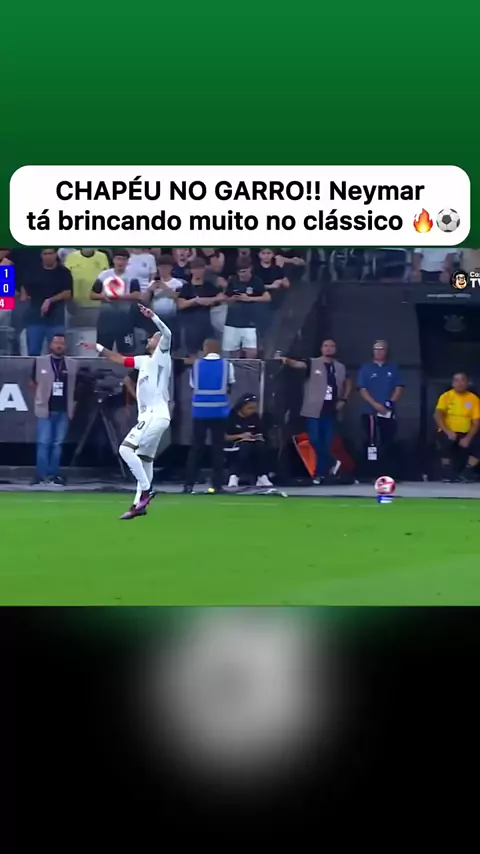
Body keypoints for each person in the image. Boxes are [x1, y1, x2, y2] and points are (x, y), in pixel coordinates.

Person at [91, 304, 172, 519]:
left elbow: (167, 333)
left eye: (153, 338)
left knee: (125, 450)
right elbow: (120, 359)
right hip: (151, 416)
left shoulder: (162, 357)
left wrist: (153, 316)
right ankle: (139, 505)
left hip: (155, 414)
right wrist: (98, 347)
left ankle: (146, 490)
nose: (150, 340)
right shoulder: (144, 361)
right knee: (145, 459)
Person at [282, 339, 351, 484]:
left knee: (326, 442)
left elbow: (348, 382)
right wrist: (287, 360)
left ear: (335, 349)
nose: (328, 348)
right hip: (314, 409)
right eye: (326, 346)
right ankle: (332, 462)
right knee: (314, 440)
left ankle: (320, 474)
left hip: (331, 410)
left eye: (331, 346)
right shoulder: (312, 363)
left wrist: (343, 399)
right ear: (321, 348)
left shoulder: (340, 367)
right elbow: (298, 365)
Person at [184, 339, 235, 494]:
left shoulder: (196, 365)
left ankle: (189, 484)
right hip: (219, 411)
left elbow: (193, 386)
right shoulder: (227, 365)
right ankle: (217, 485)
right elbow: (230, 386)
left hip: (199, 411)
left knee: (196, 448)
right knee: (218, 448)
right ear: (219, 349)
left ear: (205, 349)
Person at [30, 333, 79, 485]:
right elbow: (32, 383)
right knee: (43, 443)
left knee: (57, 444)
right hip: (45, 409)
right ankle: (41, 475)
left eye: (61, 343)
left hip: (63, 410)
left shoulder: (72, 364)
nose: (59, 346)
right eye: (56, 342)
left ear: (65, 346)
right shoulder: (40, 362)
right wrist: (40, 398)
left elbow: (75, 387)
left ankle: (53, 475)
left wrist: (72, 406)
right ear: (51, 345)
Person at [357, 340, 404, 477]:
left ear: (386, 351)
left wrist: (389, 403)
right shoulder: (365, 368)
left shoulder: (393, 368)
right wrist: (375, 404)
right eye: (376, 349)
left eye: (381, 349)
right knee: (371, 441)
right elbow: (362, 389)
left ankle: (387, 472)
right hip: (370, 411)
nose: (378, 351)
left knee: (388, 441)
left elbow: (399, 387)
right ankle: (372, 472)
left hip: (387, 411)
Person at [21, 248, 73, 356]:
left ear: (55, 254)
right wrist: (24, 295)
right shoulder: (33, 271)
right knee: (33, 351)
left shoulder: (64, 272)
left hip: (56, 318)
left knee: (57, 352)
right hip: (35, 317)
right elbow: (24, 286)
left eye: (50, 253)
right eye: (45, 254)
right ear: (41, 255)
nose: (48, 256)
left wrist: (50, 300)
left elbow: (68, 293)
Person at [90, 249, 143, 354]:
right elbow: (92, 295)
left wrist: (119, 297)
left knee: (127, 352)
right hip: (106, 319)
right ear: (113, 260)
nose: (121, 262)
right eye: (118, 259)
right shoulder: (104, 275)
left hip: (126, 319)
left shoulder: (132, 276)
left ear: (127, 262)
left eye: (124, 260)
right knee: (104, 351)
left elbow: (137, 295)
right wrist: (104, 296)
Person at [434, 372, 480, 482]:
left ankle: (466, 473)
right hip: (448, 431)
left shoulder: (474, 399)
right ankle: (446, 473)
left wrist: (468, 438)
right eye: (456, 380)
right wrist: (448, 431)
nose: (459, 383)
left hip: (466, 432)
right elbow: (437, 415)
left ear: (467, 383)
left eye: (462, 380)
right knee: (444, 441)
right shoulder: (446, 396)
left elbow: (476, 422)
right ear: (453, 383)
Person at [223, 260, 271, 358]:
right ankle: (235, 368)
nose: (242, 275)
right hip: (232, 321)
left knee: (251, 352)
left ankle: (249, 368)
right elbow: (225, 297)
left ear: (250, 269)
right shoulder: (233, 280)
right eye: (239, 272)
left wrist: (249, 299)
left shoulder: (256, 281)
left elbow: (267, 297)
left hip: (250, 322)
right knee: (233, 352)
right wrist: (232, 299)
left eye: (244, 271)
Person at [225, 394, 273, 489]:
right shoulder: (231, 416)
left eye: (254, 408)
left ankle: (262, 476)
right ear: (241, 406)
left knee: (261, 446)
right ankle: (234, 476)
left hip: (252, 442)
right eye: (249, 408)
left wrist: (258, 436)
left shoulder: (254, 416)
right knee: (245, 447)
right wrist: (241, 436)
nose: (252, 411)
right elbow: (224, 437)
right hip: (234, 443)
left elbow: (260, 431)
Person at [177, 257, 220, 356]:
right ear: (191, 270)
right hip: (190, 324)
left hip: (206, 324)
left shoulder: (209, 286)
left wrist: (209, 300)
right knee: (192, 354)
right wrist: (195, 301)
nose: (198, 271)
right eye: (195, 269)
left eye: (200, 268)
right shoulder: (186, 287)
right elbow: (180, 304)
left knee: (210, 351)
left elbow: (221, 296)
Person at [64, 247, 109, 321]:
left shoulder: (102, 257)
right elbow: (66, 278)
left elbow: (107, 279)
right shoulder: (71, 256)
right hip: (76, 304)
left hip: (97, 304)